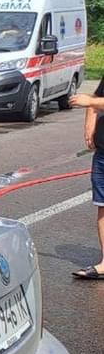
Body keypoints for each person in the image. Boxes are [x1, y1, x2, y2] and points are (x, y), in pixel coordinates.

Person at [70, 82, 104, 279]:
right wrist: (89, 126)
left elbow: (92, 100)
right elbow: (97, 97)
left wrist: (90, 102)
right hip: (102, 153)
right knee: (103, 206)